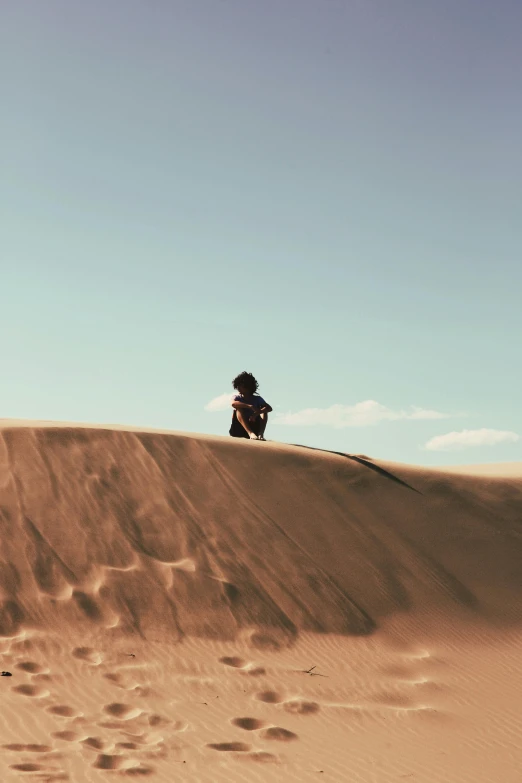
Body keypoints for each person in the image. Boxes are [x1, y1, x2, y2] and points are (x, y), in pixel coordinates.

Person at [229, 371, 272, 440]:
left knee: (264, 410)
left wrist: (257, 413)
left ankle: (260, 433)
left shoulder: (257, 399)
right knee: (238, 408)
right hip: (238, 429)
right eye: (237, 385)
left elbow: (269, 408)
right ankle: (250, 433)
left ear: (247, 386)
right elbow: (233, 403)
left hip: (254, 425)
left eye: (240, 385)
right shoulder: (237, 397)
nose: (238, 387)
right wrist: (250, 406)